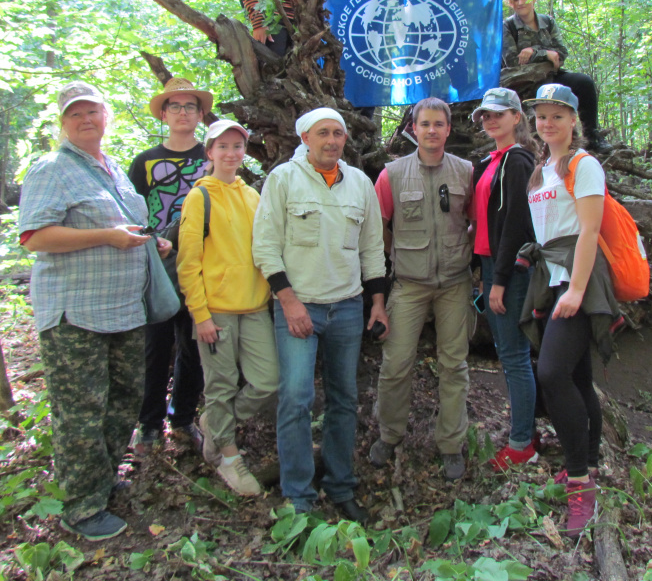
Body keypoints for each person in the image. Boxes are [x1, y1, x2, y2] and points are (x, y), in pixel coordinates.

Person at [18, 81, 171, 541]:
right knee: (81, 408)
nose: (85, 120)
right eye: (74, 115)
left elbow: (124, 224)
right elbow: (36, 237)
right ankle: (82, 508)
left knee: (124, 397)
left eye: (92, 112)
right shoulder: (52, 168)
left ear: (106, 117)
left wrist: (150, 241)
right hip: (75, 313)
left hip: (124, 309)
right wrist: (106, 237)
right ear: (62, 123)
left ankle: (103, 482)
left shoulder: (113, 172)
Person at [252, 108, 388, 523]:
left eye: (338, 133)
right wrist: (289, 302)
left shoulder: (359, 183)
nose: (332, 140)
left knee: (345, 399)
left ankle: (340, 485)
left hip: (346, 306)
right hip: (299, 305)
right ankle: (299, 496)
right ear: (305, 138)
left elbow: (372, 249)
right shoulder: (283, 180)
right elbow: (265, 246)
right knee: (295, 398)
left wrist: (377, 303)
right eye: (323, 133)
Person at [525, 83, 614, 538]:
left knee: (552, 374)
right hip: (551, 278)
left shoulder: (584, 165)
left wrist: (576, 290)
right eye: (542, 115)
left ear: (574, 120)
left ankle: (580, 484)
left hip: (579, 281)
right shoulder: (542, 169)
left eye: (558, 115)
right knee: (578, 377)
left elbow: (588, 231)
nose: (548, 123)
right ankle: (591, 463)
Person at [370, 98, 473, 481]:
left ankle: (450, 444)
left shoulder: (466, 172)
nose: (431, 130)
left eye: (439, 124)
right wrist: (392, 267)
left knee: (454, 366)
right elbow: (377, 228)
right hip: (409, 285)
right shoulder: (392, 175)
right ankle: (389, 434)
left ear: (449, 129)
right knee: (395, 364)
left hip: (455, 284)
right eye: (424, 124)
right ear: (412, 128)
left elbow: (475, 224)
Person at [176, 120, 278, 496]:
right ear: (210, 152)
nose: (232, 154)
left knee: (268, 380)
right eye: (223, 147)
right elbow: (188, 263)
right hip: (215, 311)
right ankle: (229, 459)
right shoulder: (199, 197)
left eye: (238, 146)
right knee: (219, 385)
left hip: (253, 306)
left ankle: (215, 424)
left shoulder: (251, 195)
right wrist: (200, 315)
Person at [129, 78, 213, 456]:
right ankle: (148, 424)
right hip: (158, 265)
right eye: (175, 107)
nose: (183, 113)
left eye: (190, 107)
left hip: (201, 265)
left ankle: (182, 419)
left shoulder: (211, 158)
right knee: (156, 346)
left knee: (193, 345)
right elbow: (132, 212)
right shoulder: (144, 162)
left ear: (200, 114)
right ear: (164, 114)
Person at [471, 88, 539, 471]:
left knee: (514, 356)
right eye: (485, 116)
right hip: (489, 265)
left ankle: (521, 444)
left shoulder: (517, 161)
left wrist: (498, 279)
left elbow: (516, 224)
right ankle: (526, 430)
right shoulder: (492, 160)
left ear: (517, 117)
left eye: (499, 114)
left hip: (507, 270)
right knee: (509, 353)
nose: (490, 120)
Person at [502, 0, 611, 153]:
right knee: (549, 97)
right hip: (524, 82)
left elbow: (561, 53)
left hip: (552, 75)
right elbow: (513, 61)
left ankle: (592, 137)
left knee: (584, 83)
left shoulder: (548, 21)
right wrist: (546, 53)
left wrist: (536, 52)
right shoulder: (508, 26)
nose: (521, 2)